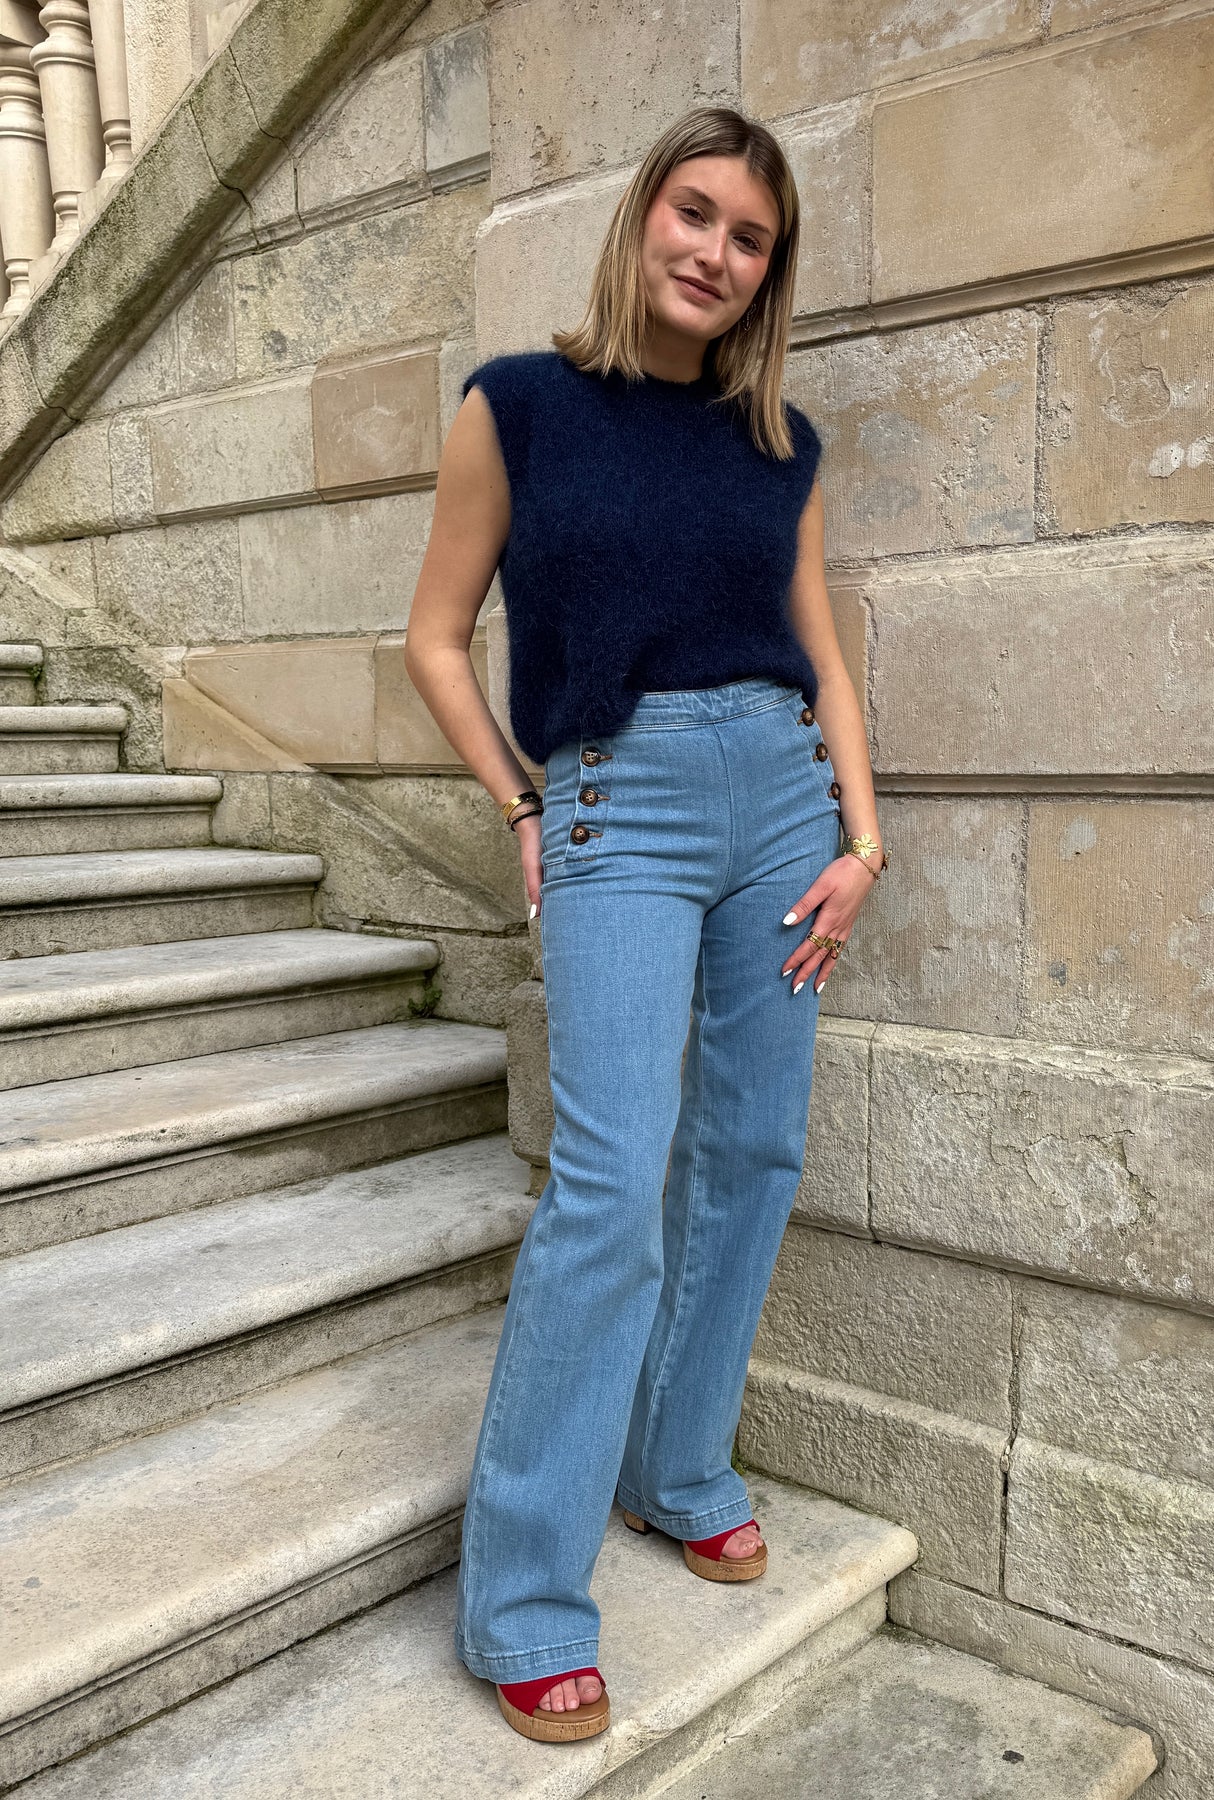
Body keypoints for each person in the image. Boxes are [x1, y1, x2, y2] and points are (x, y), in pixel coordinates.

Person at [403, 102, 888, 1746]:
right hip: (619, 797)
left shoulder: (779, 445)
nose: (715, 253)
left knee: (751, 1151)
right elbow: (434, 637)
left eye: (750, 238)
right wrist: (519, 803)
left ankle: (676, 1469)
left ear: (769, 271)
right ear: (641, 218)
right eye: (694, 213)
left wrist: (863, 838)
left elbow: (820, 654)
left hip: (783, 807)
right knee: (611, 1186)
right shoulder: (518, 407)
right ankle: (525, 1599)